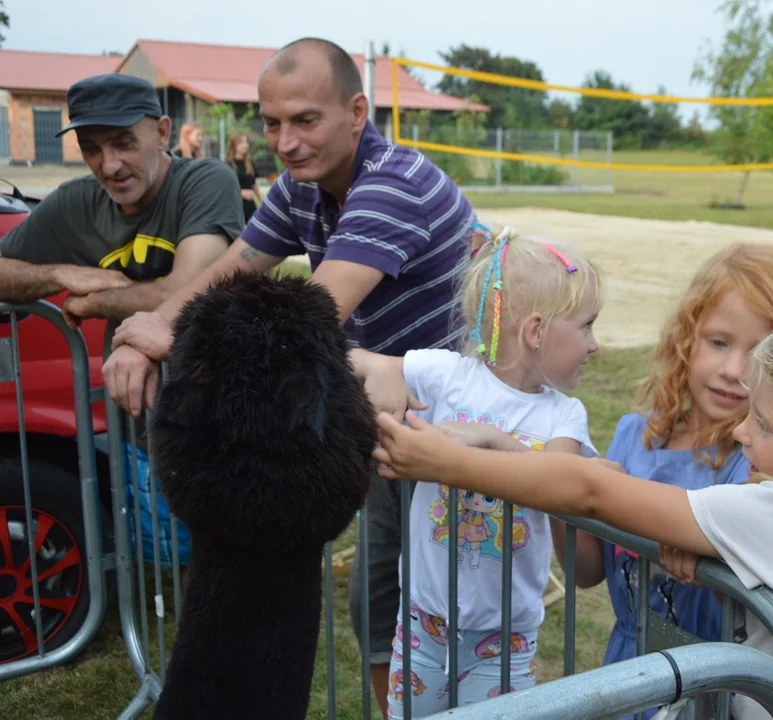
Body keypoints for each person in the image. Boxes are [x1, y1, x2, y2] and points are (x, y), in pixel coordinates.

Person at [101, 37, 477, 717]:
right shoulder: (302, 188)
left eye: (306, 120)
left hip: (459, 439)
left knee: (456, 622)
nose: (285, 141)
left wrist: (166, 336)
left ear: (357, 111)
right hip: (393, 424)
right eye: (272, 123)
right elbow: (238, 261)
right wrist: (152, 328)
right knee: (379, 607)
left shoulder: (394, 184)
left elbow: (316, 312)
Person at [373, 312, 773, 720]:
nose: (741, 430)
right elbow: (619, 490)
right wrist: (697, 534)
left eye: (763, 425)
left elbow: (592, 494)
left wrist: (444, 461)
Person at [552, 243, 773, 719]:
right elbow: (587, 571)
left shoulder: (764, 467)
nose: (734, 371)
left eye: (760, 354)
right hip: (626, 676)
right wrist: (559, 494)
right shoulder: (635, 436)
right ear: (687, 338)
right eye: (719, 342)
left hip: (720, 690)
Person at [353, 224, 603, 717]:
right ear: (535, 331)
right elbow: (344, 358)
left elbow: (558, 482)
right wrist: (380, 368)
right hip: (422, 626)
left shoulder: (564, 416)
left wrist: (495, 443)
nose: (595, 344)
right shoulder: (445, 375)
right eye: (588, 325)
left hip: (504, 641)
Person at [0, 73, 242, 329]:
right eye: (91, 149)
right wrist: (60, 275)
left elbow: (190, 293)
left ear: (162, 133)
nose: (110, 166)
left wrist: (96, 302)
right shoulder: (74, 202)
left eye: (124, 144)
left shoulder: (205, 182)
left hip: (213, 367)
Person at [225, 131, 262, 223]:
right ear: (234, 145)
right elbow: (225, 189)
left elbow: (253, 184)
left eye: (246, 142)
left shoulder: (250, 163)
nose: (245, 145)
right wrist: (241, 193)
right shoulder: (227, 165)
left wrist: (262, 200)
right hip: (235, 207)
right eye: (241, 142)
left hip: (250, 207)